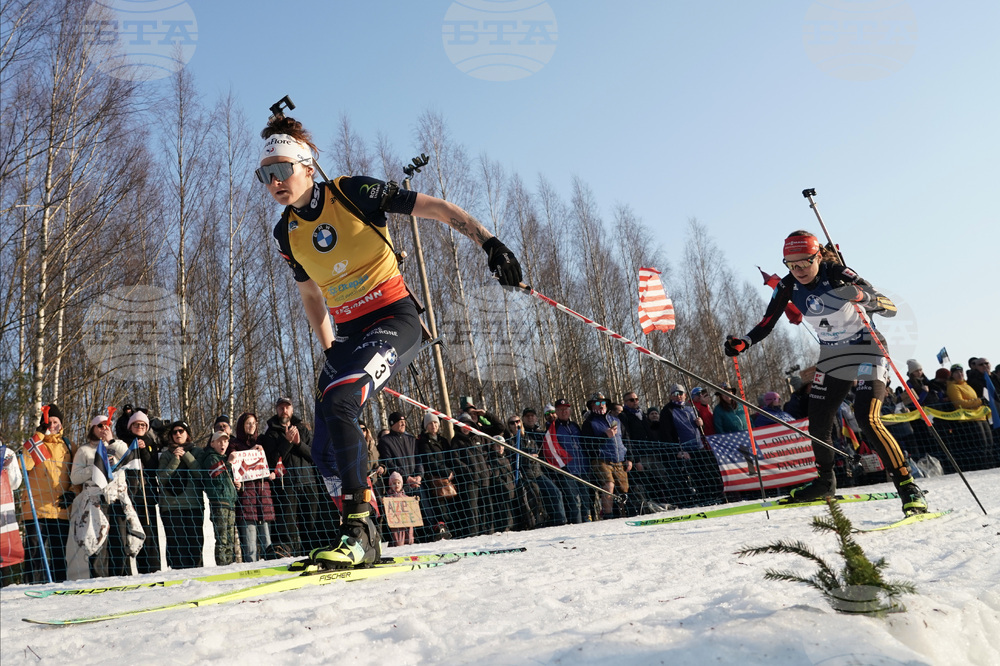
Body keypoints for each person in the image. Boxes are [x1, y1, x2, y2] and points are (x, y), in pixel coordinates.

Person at [258, 115, 523, 567]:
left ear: (306, 165)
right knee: (322, 446)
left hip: (394, 319)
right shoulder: (287, 233)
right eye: (265, 175)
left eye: (282, 169)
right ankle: (367, 532)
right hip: (349, 335)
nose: (275, 182)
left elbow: (436, 209)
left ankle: (357, 532)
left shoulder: (351, 192)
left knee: (342, 402)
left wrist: (490, 243)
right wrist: (330, 352)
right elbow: (310, 297)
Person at [724, 229, 927, 515]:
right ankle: (825, 482)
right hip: (833, 354)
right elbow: (767, 322)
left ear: (817, 256)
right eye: (791, 265)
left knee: (865, 416)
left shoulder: (837, 272)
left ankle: (907, 485)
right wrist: (744, 342)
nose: (798, 270)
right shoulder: (787, 286)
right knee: (818, 422)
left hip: (867, 346)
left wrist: (859, 295)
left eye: (804, 263)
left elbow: (888, 307)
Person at [67, 414, 144, 580]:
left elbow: (132, 459)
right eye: (99, 426)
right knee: (98, 540)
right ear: (92, 429)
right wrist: (96, 467)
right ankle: (99, 579)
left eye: (106, 425)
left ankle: (122, 576)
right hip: (95, 501)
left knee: (120, 540)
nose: (103, 429)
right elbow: (75, 477)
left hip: (118, 500)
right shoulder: (84, 450)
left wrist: (111, 443)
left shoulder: (119, 445)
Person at [259, 397, 324, 557]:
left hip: (308, 480)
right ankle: (289, 555)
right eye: (281, 408)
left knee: (311, 521)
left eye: (287, 407)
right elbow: (272, 459)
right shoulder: (271, 433)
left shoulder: (302, 429)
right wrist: (287, 442)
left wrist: (298, 443)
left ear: (292, 409)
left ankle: (313, 553)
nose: (284, 410)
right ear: (277, 410)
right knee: (288, 523)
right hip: (285, 484)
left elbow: (313, 455)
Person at [20, 404, 74, 583]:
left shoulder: (69, 446)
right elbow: (23, 465)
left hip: (60, 508)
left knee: (59, 552)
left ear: (61, 424)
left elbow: (78, 475)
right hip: (36, 508)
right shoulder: (35, 442)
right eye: (48, 422)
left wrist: (72, 493)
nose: (52, 425)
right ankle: (33, 584)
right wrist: (38, 436)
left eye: (56, 421)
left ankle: (59, 585)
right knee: (35, 551)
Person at [157, 420, 206, 570]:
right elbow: (161, 478)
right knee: (176, 545)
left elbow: (200, 474)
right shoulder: (166, 455)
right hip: (171, 507)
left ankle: (197, 576)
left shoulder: (197, 452)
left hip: (193, 505)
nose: (178, 434)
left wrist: (186, 456)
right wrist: (175, 459)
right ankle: (177, 576)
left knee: (195, 544)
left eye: (181, 431)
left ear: (188, 434)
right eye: (174, 432)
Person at [230, 413, 277, 563]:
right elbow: (231, 468)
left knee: (266, 538)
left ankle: (270, 566)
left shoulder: (262, 441)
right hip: (246, 495)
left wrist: (272, 472)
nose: (251, 426)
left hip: (263, 493)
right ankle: (250, 569)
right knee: (250, 542)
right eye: (248, 423)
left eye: (253, 423)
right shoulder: (234, 444)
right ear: (242, 426)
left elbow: (274, 460)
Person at [581, 392, 631, 519]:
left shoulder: (616, 420)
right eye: (598, 403)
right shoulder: (589, 423)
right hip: (601, 459)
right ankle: (608, 515)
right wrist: (604, 436)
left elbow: (626, 438)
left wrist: (630, 458)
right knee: (609, 485)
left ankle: (624, 514)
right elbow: (587, 445)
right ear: (592, 405)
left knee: (624, 489)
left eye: (603, 403)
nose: (601, 405)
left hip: (619, 459)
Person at [124, 410, 161, 573]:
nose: (139, 427)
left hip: (147, 494)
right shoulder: (124, 443)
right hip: (131, 495)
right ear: (130, 426)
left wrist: (145, 450)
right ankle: (138, 569)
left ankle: (154, 569)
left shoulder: (152, 443)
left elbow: (153, 467)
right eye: (136, 424)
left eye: (143, 425)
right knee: (134, 534)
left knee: (150, 534)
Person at [202, 431, 238, 566]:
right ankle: (222, 566)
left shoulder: (223, 459)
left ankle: (229, 564)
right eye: (219, 441)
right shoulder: (211, 458)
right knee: (222, 539)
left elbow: (227, 478)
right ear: (212, 443)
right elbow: (217, 476)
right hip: (219, 503)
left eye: (225, 441)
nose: (222, 444)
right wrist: (228, 463)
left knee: (230, 539)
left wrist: (236, 485)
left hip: (230, 502)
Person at [416, 412, 454, 541]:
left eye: (435, 423)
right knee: (439, 507)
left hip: (448, 479)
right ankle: (441, 531)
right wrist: (445, 471)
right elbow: (429, 460)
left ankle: (452, 529)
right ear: (426, 426)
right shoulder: (424, 441)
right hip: (434, 480)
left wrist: (451, 471)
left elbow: (450, 457)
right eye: (430, 423)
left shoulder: (443, 441)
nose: (433, 425)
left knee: (451, 506)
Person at [384, 472, 413, 547]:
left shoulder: (406, 497)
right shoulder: (389, 498)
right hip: (396, 523)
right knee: (398, 541)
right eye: (394, 483)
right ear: (390, 485)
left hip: (406, 522)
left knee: (409, 538)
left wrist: (414, 502)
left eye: (398, 483)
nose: (396, 485)